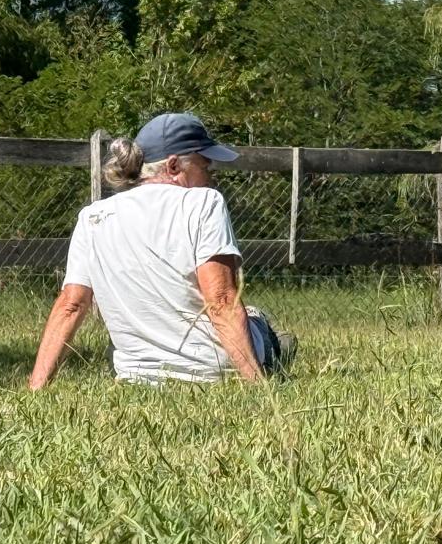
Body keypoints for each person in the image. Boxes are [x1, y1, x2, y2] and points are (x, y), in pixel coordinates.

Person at [28, 112, 296, 388]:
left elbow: (71, 304)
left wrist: (36, 386)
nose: (211, 175)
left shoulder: (93, 217)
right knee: (255, 318)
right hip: (213, 370)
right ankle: (277, 347)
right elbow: (221, 300)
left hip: (136, 377)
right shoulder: (203, 203)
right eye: (205, 166)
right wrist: (257, 385)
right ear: (173, 166)